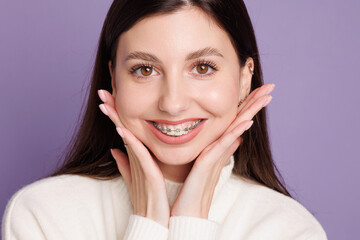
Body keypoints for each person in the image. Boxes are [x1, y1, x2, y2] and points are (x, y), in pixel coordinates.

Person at [2, 0, 327, 239]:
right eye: (145, 69)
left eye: (202, 68)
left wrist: (191, 220)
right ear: (114, 79)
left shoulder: (290, 229)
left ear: (245, 78)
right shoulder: (43, 215)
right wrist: (148, 224)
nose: (172, 104)